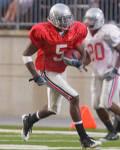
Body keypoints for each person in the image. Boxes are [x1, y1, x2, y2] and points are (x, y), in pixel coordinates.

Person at [21, 3, 101, 148]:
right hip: (47, 70)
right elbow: (26, 55)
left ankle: (29, 120)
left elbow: (81, 50)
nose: (66, 22)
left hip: (60, 70)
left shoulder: (75, 30)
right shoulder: (43, 32)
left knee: (53, 109)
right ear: (53, 19)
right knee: (74, 97)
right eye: (62, 19)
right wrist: (35, 75)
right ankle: (84, 138)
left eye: (67, 19)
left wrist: (80, 63)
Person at [83, 7, 120, 141]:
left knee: (108, 103)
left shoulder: (108, 31)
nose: (90, 26)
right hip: (97, 74)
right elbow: (88, 57)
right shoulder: (87, 35)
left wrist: (116, 69)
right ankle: (112, 132)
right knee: (96, 105)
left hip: (111, 72)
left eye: (92, 23)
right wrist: (79, 63)